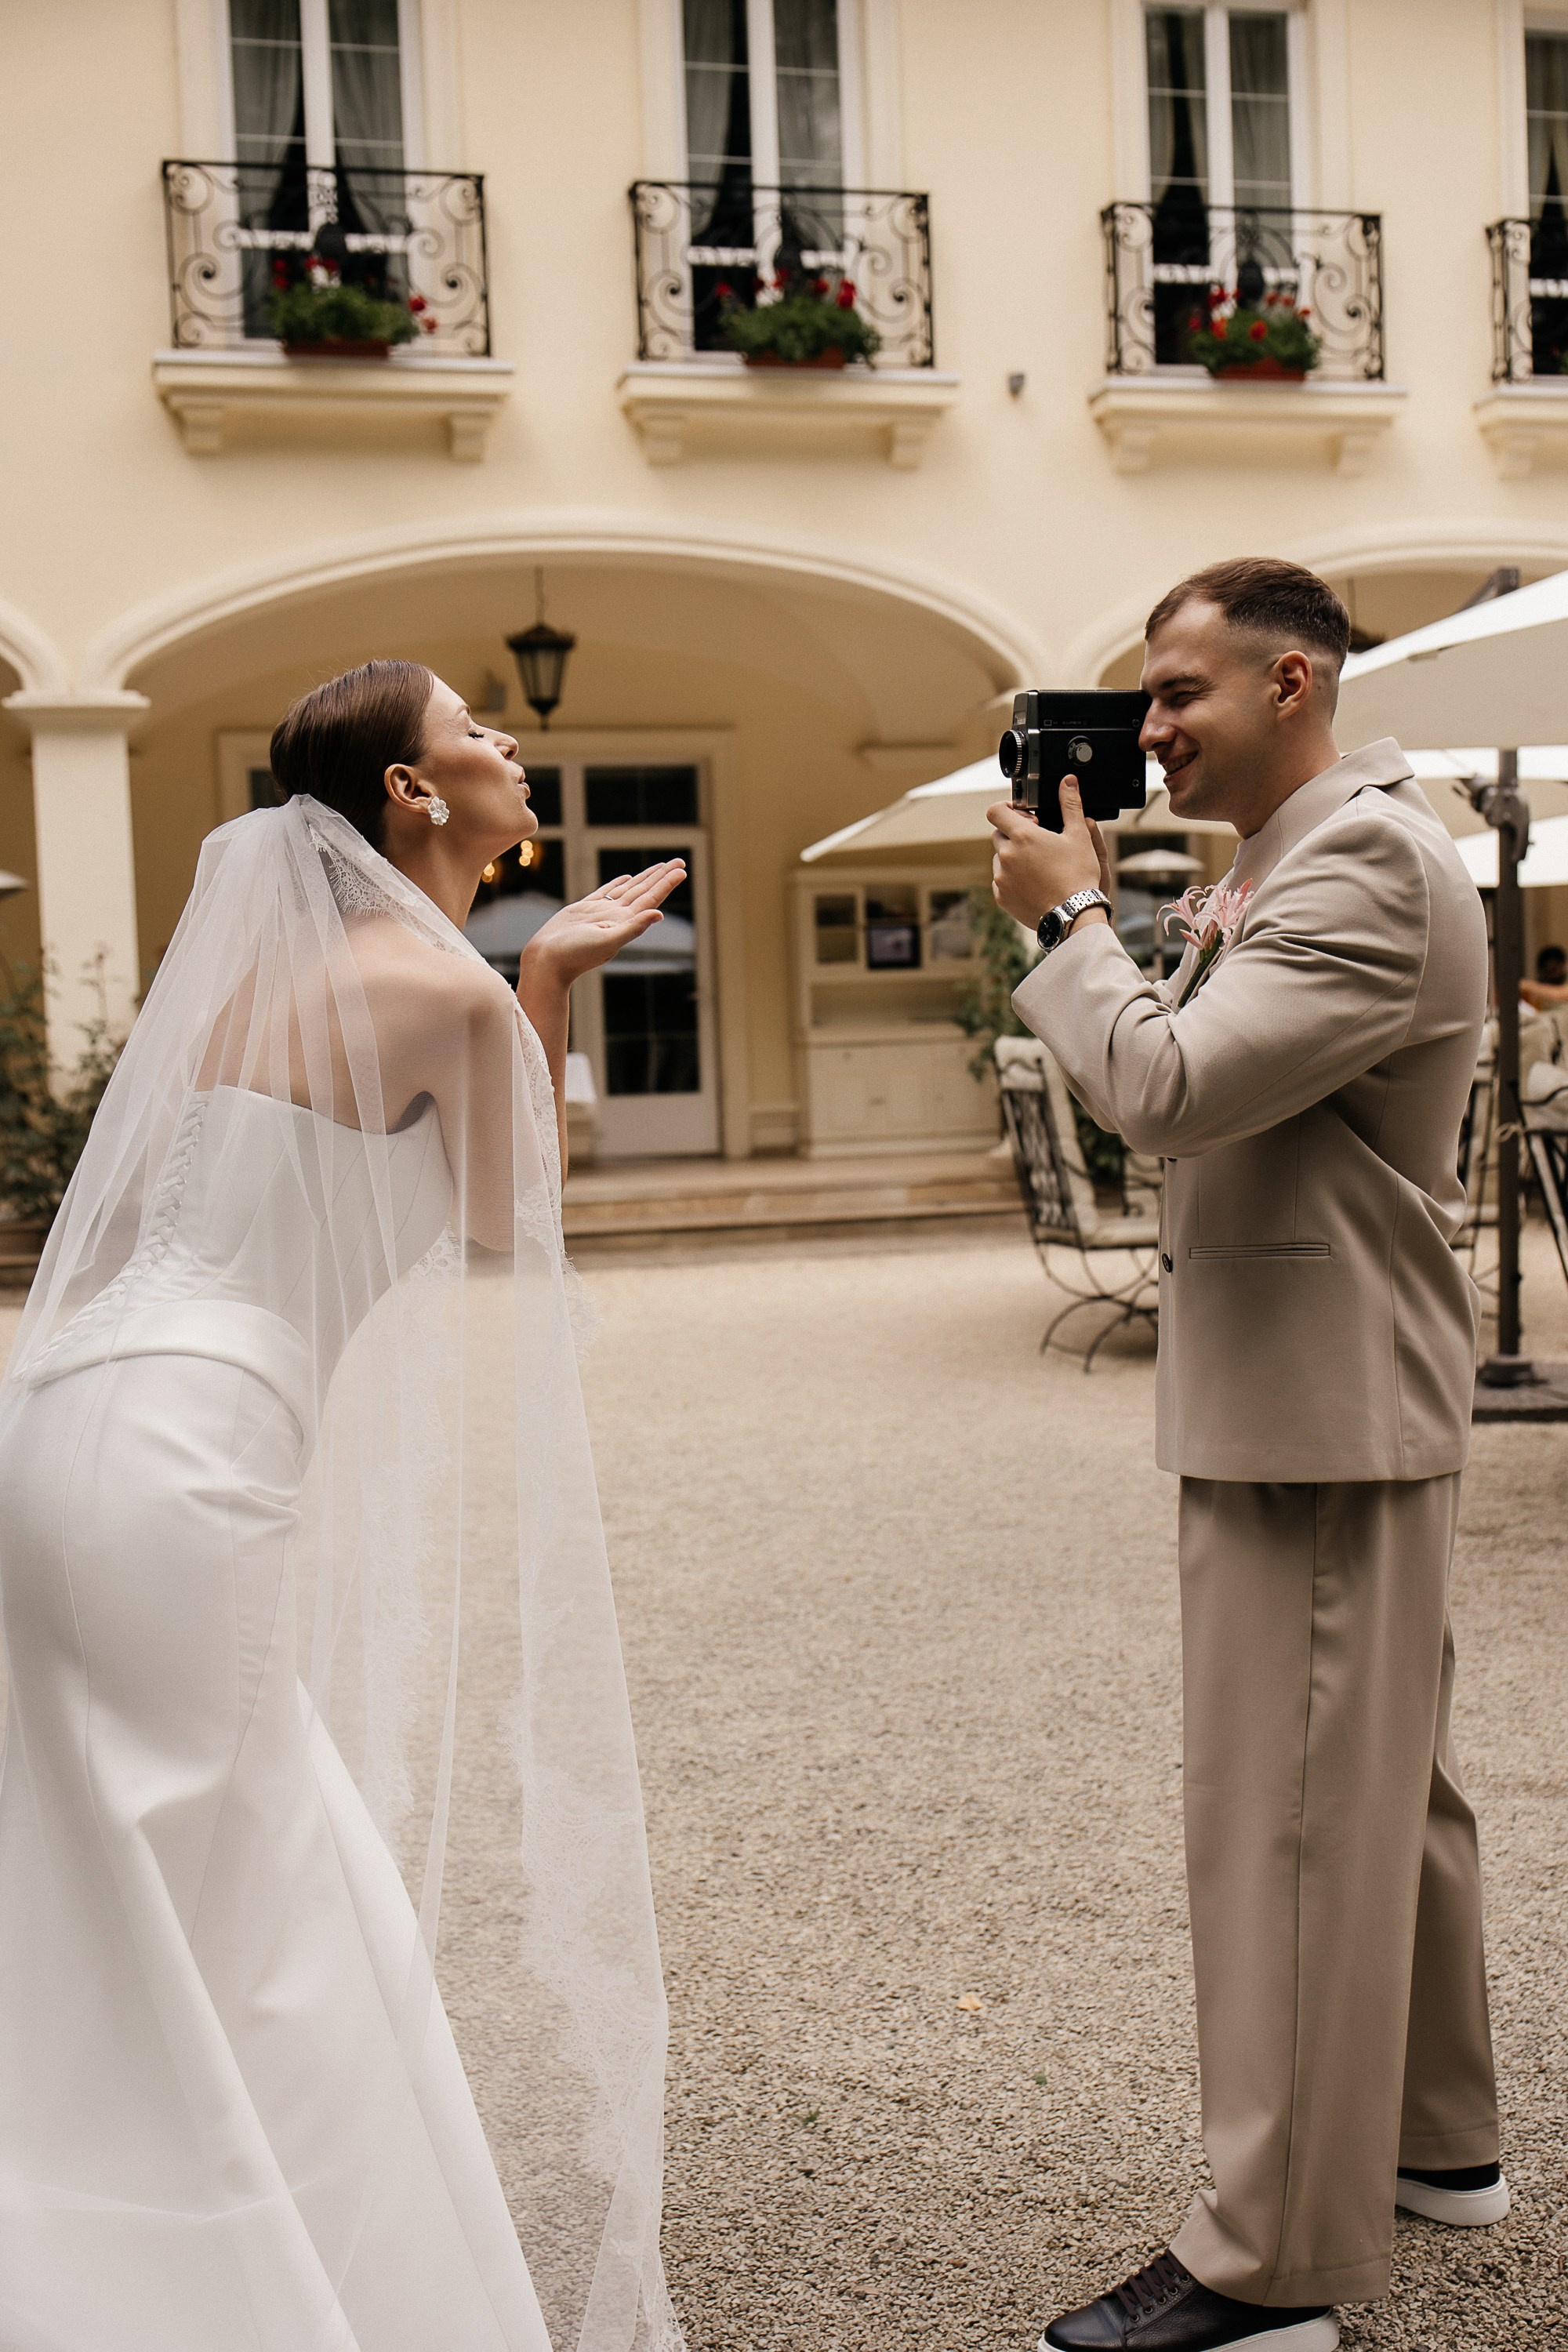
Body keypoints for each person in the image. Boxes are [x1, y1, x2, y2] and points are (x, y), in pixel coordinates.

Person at [0, 662, 688, 2352]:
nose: (512, 748)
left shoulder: (279, 977)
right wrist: (543, 975)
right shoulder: (442, 986)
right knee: (250, 1881)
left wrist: (515, 978)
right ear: (407, 792)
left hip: (74, 1418)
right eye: (481, 733)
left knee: (110, 1866)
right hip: (192, 1450)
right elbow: (502, 1221)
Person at [989, 561, 1504, 2352]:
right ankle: (1436, 2141)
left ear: (1291, 681)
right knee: (1386, 1791)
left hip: (1310, 1400)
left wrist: (1064, 926)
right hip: (1324, 1381)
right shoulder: (1288, 860)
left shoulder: (1358, 855)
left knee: (1282, 1820)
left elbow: (1167, 1091)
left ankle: (1267, 2264)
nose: (1147, 730)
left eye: (1177, 694)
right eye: (1142, 699)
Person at [1521, 941, 1568, 1011]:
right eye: (1551, 969)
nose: (1555, 972)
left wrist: (1526, 985)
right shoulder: (1534, 996)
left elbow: (1558, 994)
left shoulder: (1563, 990)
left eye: (1557, 967)